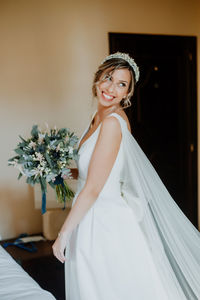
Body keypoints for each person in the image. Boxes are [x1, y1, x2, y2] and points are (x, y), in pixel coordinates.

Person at [52, 52, 200, 300]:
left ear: (127, 93)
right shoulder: (96, 118)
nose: (111, 88)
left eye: (121, 84)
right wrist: (70, 172)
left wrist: (62, 234)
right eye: (108, 78)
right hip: (88, 216)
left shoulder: (112, 123)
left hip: (103, 222)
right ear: (97, 78)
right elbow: (104, 169)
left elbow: (95, 188)